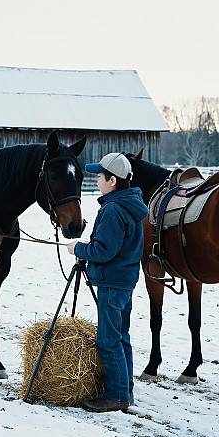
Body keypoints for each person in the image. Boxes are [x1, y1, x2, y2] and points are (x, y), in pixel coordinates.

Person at [66, 153, 148, 413]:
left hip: (112, 284)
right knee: (122, 337)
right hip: (124, 281)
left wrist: (79, 248)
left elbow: (104, 250)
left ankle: (116, 397)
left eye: (100, 177)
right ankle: (126, 391)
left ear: (112, 180)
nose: (97, 181)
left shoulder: (113, 209)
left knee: (109, 340)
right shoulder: (131, 205)